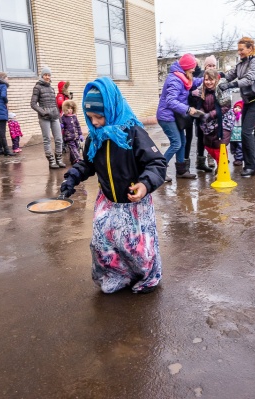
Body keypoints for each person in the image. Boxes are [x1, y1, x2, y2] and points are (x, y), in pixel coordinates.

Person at [60, 77, 167, 294]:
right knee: (103, 244)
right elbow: (87, 163)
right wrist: (72, 177)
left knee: (136, 246)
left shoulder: (134, 133)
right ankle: (115, 275)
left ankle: (146, 277)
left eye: (99, 116)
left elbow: (157, 163)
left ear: (112, 108)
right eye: (90, 117)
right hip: (107, 200)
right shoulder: (95, 138)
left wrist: (144, 185)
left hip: (134, 202)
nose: (96, 122)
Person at [219, 37, 255, 177]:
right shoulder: (241, 63)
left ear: (250, 48)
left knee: (245, 133)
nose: (239, 52)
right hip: (247, 102)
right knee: (247, 133)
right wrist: (217, 76)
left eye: (241, 49)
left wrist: (231, 85)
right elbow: (229, 75)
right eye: (238, 49)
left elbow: (250, 78)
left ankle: (250, 166)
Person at [156, 53, 201, 181]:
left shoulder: (182, 76)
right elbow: (170, 101)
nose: (194, 70)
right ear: (187, 67)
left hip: (174, 116)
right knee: (176, 143)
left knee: (182, 142)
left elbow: (193, 82)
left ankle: (181, 172)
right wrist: (187, 109)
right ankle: (159, 170)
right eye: (192, 67)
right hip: (166, 116)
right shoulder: (174, 79)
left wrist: (207, 78)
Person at [191, 69, 234, 168]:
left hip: (223, 120)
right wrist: (201, 113)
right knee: (208, 145)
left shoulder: (221, 89)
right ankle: (220, 163)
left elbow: (226, 106)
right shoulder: (202, 90)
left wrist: (211, 114)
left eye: (211, 79)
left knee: (220, 145)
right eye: (206, 80)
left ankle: (222, 167)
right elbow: (200, 104)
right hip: (208, 121)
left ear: (216, 80)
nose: (208, 82)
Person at [31, 66, 66, 169]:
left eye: (49, 75)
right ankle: (51, 161)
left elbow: (55, 104)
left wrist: (59, 117)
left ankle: (59, 159)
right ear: (42, 76)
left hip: (54, 116)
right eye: (45, 75)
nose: (47, 77)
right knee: (47, 139)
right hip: (44, 117)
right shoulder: (37, 87)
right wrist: (43, 112)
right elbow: (33, 104)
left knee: (59, 139)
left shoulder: (51, 88)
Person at [60, 100, 84, 165]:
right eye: (68, 108)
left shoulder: (74, 117)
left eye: (71, 108)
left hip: (75, 136)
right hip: (69, 137)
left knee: (76, 147)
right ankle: (78, 159)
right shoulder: (63, 117)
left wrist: (80, 134)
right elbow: (62, 125)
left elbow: (78, 126)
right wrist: (61, 125)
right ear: (65, 109)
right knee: (73, 148)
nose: (70, 110)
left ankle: (72, 160)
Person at [230, 101, 244, 166]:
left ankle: (239, 159)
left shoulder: (241, 116)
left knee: (239, 147)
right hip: (233, 136)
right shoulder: (232, 115)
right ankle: (236, 158)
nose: (236, 109)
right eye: (235, 107)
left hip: (239, 135)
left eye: (239, 108)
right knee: (233, 148)